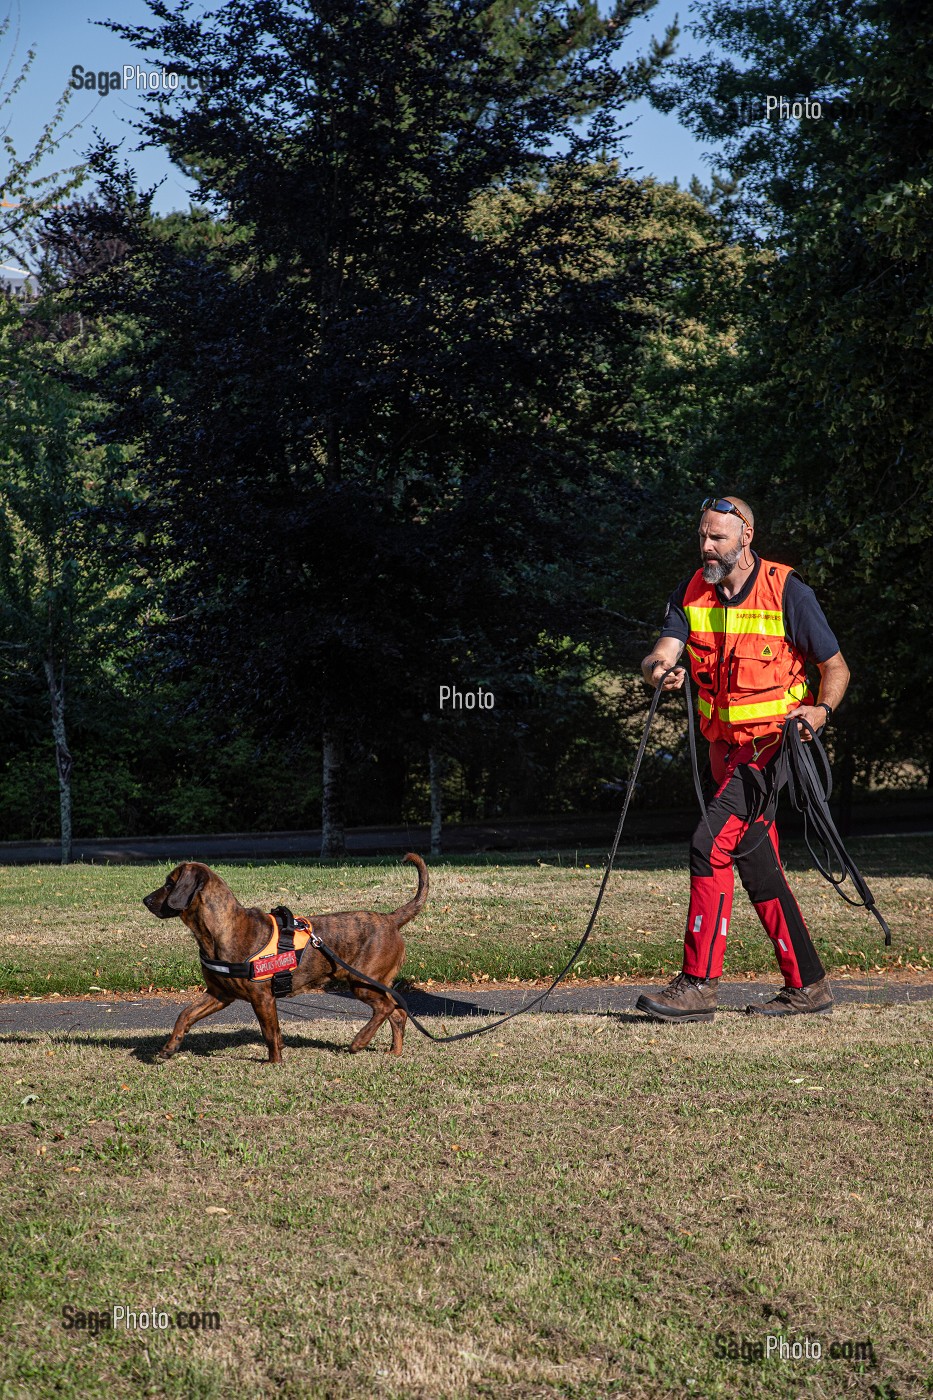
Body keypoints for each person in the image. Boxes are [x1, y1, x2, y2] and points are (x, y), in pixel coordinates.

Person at [636, 495, 850, 1021]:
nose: (707, 547)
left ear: (746, 536)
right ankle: (810, 986)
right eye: (703, 537)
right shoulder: (694, 590)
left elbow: (837, 667)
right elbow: (662, 650)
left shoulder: (787, 591)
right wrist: (660, 670)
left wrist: (820, 712)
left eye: (718, 538)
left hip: (772, 752)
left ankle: (698, 986)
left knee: (708, 844)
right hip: (724, 755)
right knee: (758, 864)